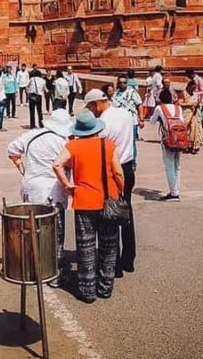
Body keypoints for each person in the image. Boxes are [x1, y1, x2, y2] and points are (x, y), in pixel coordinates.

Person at [52, 110, 124, 303]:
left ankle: (87, 290)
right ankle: (105, 287)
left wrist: (67, 186)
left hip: (84, 200)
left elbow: (57, 164)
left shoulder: (73, 145)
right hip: (108, 200)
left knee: (86, 246)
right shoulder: (108, 145)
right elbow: (118, 172)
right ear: (95, 128)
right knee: (109, 246)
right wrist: (120, 190)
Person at [8, 109, 72, 288]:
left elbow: (12, 149)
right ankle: (53, 272)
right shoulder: (63, 141)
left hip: (30, 188)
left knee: (31, 229)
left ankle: (32, 266)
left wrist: (23, 169)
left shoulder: (32, 135)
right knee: (54, 232)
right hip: (52, 191)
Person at [84, 88, 136, 275]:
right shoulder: (125, 114)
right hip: (128, 166)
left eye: (91, 107)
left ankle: (113, 264)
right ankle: (128, 259)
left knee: (110, 216)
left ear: (97, 103)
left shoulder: (103, 122)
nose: (91, 112)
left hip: (112, 170)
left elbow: (98, 148)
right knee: (126, 212)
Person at [148, 89, 184, 201]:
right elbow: (182, 121)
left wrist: (160, 118)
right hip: (180, 139)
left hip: (168, 140)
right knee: (177, 165)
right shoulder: (179, 108)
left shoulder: (160, 108)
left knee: (169, 165)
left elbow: (152, 121)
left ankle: (173, 193)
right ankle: (176, 190)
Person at [113, 75, 144, 161]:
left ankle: (133, 161)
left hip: (132, 121)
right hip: (119, 122)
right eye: (120, 83)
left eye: (124, 83)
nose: (122, 84)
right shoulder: (116, 94)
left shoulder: (132, 92)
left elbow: (139, 104)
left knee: (131, 142)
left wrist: (141, 119)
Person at [179, 80, 203, 154]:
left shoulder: (195, 95)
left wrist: (197, 105)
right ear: (189, 87)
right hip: (186, 114)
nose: (193, 90)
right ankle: (186, 146)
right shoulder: (183, 94)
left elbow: (199, 104)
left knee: (195, 130)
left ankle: (194, 146)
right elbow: (179, 103)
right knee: (186, 130)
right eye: (192, 88)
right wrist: (190, 104)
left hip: (194, 114)